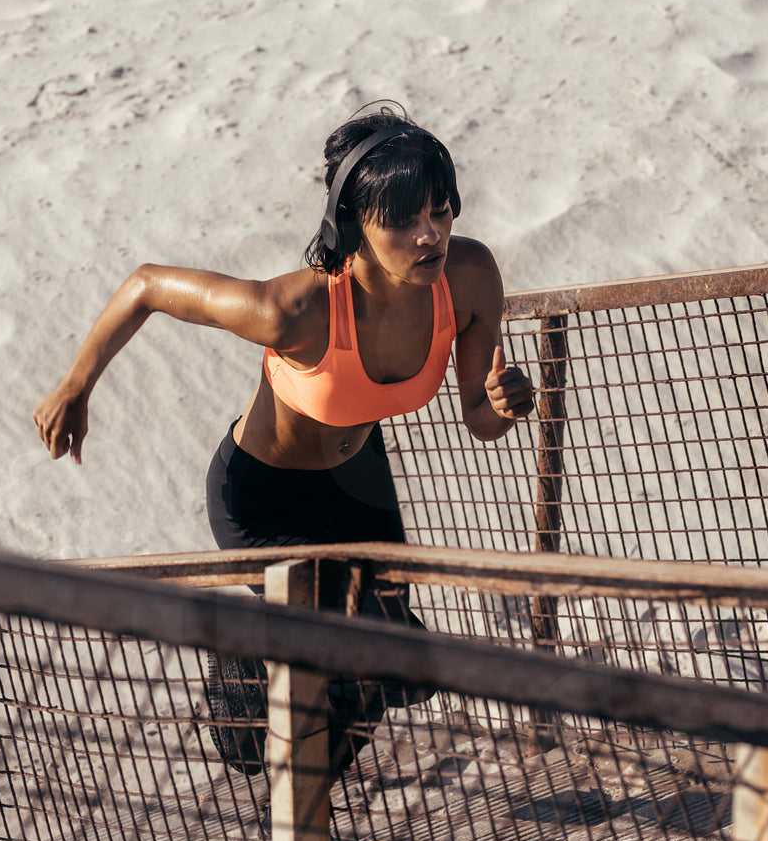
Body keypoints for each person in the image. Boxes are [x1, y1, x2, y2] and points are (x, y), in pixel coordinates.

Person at [33, 103, 534, 781]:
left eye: (441, 211)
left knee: (393, 670)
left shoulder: (468, 277)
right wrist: (75, 386)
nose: (430, 235)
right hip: (261, 500)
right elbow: (146, 285)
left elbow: (479, 416)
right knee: (353, 659)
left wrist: (506, 407)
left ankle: (296, 765)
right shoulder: (293, 311)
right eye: (403, 221)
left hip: (357, 486)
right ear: (353, 226)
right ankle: (269, 716)